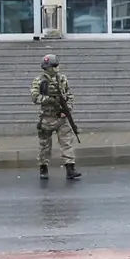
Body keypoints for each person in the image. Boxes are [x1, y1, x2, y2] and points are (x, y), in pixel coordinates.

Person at [29, 53, 81, 181]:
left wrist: (67, 110)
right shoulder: (39, 80)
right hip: (47, 117)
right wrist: (50, 100)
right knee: (44, 145)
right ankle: (43, 168)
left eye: (56, 65)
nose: (56, 68)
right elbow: (35, 98)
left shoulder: (62, 79)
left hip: (62, 117)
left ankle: (70, 169)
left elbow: (69, 95)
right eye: (53, 66)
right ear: (46, 67)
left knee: (67, 143)